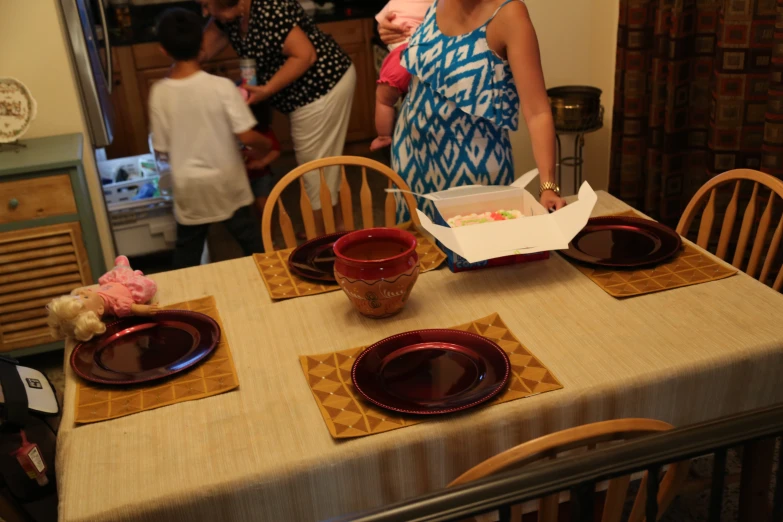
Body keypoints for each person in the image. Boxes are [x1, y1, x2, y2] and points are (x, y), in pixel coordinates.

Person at [378, 0, 567, 222]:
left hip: (474, 173)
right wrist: (386, 29)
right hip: (410, 160)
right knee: (421, 252)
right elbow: (403, 34)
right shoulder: (431, 3)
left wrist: (548, 186)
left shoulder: (509, 14)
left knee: (476, 251)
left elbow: (538, 112)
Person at [201, 0, 356, 235]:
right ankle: (336, 228)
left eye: (205, 5)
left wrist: (267, 89)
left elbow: (305, 55)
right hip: (303, 94)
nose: (204, 12)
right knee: (323, 167)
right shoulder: (228, 17)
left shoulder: (269, 8)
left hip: (322, 87)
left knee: (314, 171)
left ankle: (322, 242)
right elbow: (199, 53)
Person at [148, 8, 272, 269]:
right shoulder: (221, 87)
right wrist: (266, 146)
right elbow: (247, 135)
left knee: (188, 250)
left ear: (163, 50)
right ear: (201, 45)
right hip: (227, 180)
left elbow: (161, 149)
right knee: (251, 243)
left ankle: (184, 301)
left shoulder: (159, 93)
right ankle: (271, 281)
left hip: (189, 186)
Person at [46, 256, 158, 342]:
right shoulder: (118, 305)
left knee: (120, 268)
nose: (85, 292)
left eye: (80, 295)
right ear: (100, 309)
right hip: (130, 286)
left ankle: (124, 268)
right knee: (145, 284)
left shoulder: (98, 296)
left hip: (116, 280)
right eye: (86, 296)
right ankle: (135, 275)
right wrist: (148, 310)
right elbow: (134, 308)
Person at [371, 0, 432, 151]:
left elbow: (380, 22)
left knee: (384, 100)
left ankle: (383, 137)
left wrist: (382, 26)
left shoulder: (394, 3)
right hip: (427, 54)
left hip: (401, 56)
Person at [241, 100, 282, 216]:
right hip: (240, 177)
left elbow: (276, 150)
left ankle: (268, 232)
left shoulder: (263, 130)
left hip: (260, 175)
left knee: (264, 208)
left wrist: (262, 162)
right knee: (244, 211)